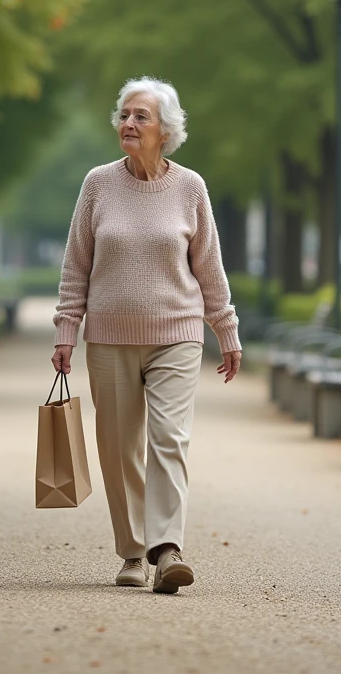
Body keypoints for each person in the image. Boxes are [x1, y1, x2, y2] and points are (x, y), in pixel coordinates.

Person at [51, 76, 241, 595]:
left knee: (169, 439)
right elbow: (77, 265)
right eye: (125, 115)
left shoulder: (190, 188)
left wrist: (226, 328)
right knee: (117, 447)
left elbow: (209, 266)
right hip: (110, 335)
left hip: (177, 334)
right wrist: (66, 328)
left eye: (141, 117)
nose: (128, 124)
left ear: (166, 130)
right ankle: (132, 552)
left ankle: (167, 549)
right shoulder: (97, 184)